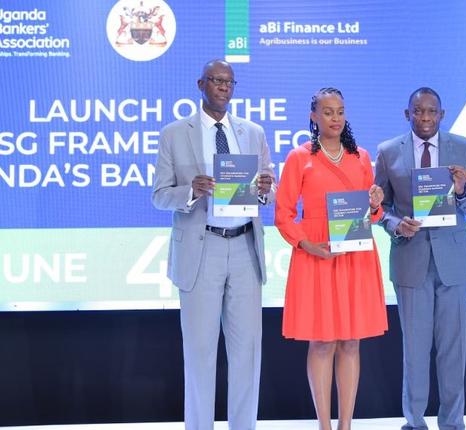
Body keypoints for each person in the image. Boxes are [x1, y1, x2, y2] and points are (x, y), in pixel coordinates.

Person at [152, 59, 275, 430]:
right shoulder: (175, 133)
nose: (223, 87)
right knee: (200, 354)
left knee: (246, 354)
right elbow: (159, 195)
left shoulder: (251, 132)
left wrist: (266, 190)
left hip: (244, 247)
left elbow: (267, 184)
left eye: (229, 82)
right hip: (201, 248)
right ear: (201, 84)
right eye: (216, 81)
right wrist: (191, 190)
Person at [274, 87, 388, 430]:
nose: (335, 118)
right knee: (322, 341)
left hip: (355, 258)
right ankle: (323, 424)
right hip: (316, 256)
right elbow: (282, 214)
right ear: (313, 117)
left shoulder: (361, 157)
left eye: (339, 111)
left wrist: (374, 204)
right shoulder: (299, 157)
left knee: (350, 341)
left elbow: (374, 215)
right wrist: (306, 244)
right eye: (327, 112)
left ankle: (345, 425)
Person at [375, 87, 466, 430]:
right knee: (415, 350)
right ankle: (414, 422)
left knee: (454, 350)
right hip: (411, 260)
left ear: (442, 114)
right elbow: (379, 208)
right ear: (407, 114)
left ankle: (453, 423)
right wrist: (396, 225)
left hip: (453, 262)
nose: (425, 118)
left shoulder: (463, 148)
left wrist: (464, 190)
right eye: (418, 112)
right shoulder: (388, 151)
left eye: (431, 112)